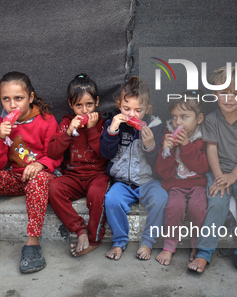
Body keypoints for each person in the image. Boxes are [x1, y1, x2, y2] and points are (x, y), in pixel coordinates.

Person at [0, 71, 61, 274]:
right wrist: (0, 138)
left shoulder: (46, 120)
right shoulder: (0, 125)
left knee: (37, 179)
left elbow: (56, 155)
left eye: (19, 98)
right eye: (6, 99)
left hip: (41, 177)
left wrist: (39, 165)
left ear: (31, 97)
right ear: (0, 99)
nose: (13, 105)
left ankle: (32, 243)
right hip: (15, 177)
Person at [188, 66, 237, 282]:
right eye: (224, 92)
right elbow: (211, 149)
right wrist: (221, 177)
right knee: (216, 203)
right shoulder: (212, 119)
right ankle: (204, 254)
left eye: (236, 93)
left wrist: (233, 177)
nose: (230, 99)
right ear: (215, 94)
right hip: (219, 171)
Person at [101, 76, 167, 261]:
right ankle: (119, 241)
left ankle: (148, 242)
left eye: (139, 110)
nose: (132, 115)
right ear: (118, 105)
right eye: (126, 108)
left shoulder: (155, 126)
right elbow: (106, 154)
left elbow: (159, 162)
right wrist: (112, 131)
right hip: (123, 182)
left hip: (148, 181)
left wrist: (151, 145)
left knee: (161, 199)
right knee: (112, 200)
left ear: (148, 109)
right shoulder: (112, 124)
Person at [48, 73, 110, 257]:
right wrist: (68, 132)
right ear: (70, 105)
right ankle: (79, 229)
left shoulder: (103, 123)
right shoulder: (67, 122)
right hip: (73, 176)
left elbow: (105, 154)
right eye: (78, 105)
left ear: (97, 102)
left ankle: (94, 239)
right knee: (53, 188)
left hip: (98, 175)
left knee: (98, 193)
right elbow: (52, 152)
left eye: (89, 104)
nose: (84, 111)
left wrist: (91, 129)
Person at [155, 93, 208, 266]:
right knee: (174, 207)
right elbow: (163, 172)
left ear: (199, 118)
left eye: (184, 117)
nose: (178, 122)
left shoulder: (203, 138)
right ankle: (169, 246)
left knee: (198, 208)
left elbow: (202, 167)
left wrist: (186, 145)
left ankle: (196, 245)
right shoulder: (168, 135)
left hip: (197, 184)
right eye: (174, 117)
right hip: (175, 185)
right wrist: (166, 151)